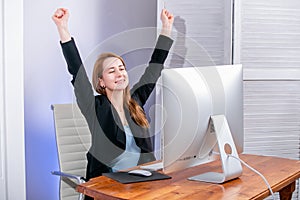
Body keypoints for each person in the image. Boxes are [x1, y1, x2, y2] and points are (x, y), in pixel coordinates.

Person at [52, 7, 173, 199]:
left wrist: (166, 29)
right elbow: (77, 72)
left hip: (142, 183)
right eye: (111, 71)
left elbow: (154, 68)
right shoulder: (95, 107)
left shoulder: (136, 101)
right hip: (109, 186)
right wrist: (63, 28)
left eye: (122, 68)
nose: (119, 74)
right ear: (101, 81)